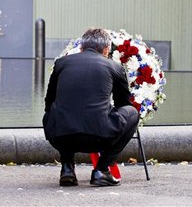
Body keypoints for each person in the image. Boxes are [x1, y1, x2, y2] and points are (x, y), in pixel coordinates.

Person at [43, 28, 139, 186]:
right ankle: (102, 170)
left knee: (57, 112)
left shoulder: (61, 63)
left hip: (61, 136)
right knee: (132, 113)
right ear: (107, 50)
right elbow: (124, 105)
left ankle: (67, 169)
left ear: (81, 48)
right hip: (99, 137)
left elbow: (49, 101)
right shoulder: (115, 67)